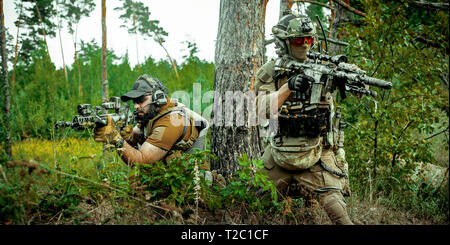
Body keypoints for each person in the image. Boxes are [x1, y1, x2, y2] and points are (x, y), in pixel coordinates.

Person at [254, 11, 353, 225]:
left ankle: (311, 203)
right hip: (280, 150)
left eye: (309, 40)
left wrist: (348, 77)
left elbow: (350, 80)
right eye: (299, 40)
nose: (305, 45)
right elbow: (261, 109)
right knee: (247, 202)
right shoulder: (271, 71)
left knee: (339, 212)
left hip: (317, 150)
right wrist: (288, 87)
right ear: (285, 43)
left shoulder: (324, 66)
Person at [93, 74, 209, 166]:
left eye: (141, 100)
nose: (136, 106)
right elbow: (136, 137)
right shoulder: (152, 114)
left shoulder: (170, 122)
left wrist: (116, 138)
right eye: (134, 101)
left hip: (190, 188)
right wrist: (127, 134)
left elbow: (141, 161)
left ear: (158, 97)